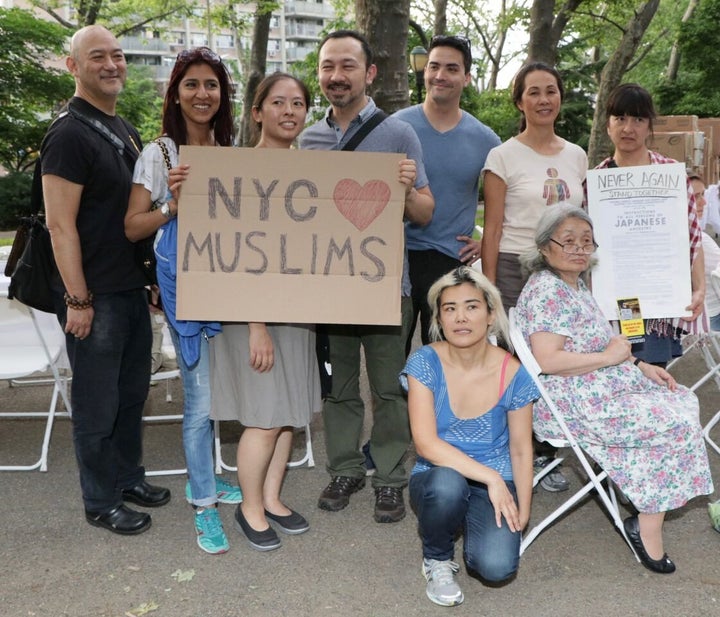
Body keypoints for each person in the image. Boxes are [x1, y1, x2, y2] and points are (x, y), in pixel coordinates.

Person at [515, 204, 713, 574]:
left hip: (594, 386)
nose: (579, 249)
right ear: (545, 247)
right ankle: (646, 524)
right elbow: (548, 360)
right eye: (569, 240)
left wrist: (640, 365)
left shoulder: (571, 286)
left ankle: (640, 487)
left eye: (587, 242)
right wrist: (611, 358)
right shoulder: (547, 291)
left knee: (678, 399)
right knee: (673, 422)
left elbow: (603, 345)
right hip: (571, 400)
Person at [300, 29, 434, 523]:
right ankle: (345, 468)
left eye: (347, 66)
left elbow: (424, 211)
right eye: (327, 66)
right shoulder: (308, 138)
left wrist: (404, 190)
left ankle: (392, 479)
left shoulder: (399, 133)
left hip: (384, 287)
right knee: (339, 387)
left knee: (388, 388)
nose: (336, 76)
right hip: (329, 285)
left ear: (369, 73)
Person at [41, 25, 170, 535]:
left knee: (131, 393)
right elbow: (59, 225)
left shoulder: (124, 128)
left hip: (129, 287)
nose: (112, 64)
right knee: (97, 403)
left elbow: (133, 215)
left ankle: (127, 476)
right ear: (73, 66)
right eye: (98, 56)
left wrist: (152, 276)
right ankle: (100, 500)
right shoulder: (68, 134)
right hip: (93, 294)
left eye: (118, 55)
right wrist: (77, 298)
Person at [125, 47, 241, 554]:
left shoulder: (230, 149)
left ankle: (209, 476)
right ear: (175, 92)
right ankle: (203, 501)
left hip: (231, 285)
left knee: (219, 391)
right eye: (191, 84)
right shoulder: (159, 154)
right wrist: (172, 205)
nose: (202, 94)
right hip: (185, 291)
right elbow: (132, 226)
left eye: (211, 85)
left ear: (222, 94)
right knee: (199, 400)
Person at [208, 72, 321, 552]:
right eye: (278, 102)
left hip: (296, 315)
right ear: (257, 112)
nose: (289, 111)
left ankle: (272, 499)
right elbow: (235, 252)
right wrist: (257, 325)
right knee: (262, 416)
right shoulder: (234, 169)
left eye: (298, 103)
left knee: (287, 414)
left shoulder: (315, 172)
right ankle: (248, 508)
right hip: (252, 318)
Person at [401, 266, 535, 607]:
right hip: (438, 476)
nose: (461, 317)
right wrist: (490, 477)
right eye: (450, 309)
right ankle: (437, 558)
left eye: (472, 306)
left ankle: (464, 518)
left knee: (497, 567)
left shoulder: (514, 373)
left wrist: (523, 512)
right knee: (448, 485)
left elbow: (521, 449)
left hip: (496, 479)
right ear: (439, 319)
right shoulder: (424, 362)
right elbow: (426, 445)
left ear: (491, 315)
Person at [481, 61, 587, 492]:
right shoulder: (502, 156)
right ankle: (508, 450)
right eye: (534, 92)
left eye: (551, 91)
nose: (544, 100)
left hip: (563, 275)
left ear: (560, 97)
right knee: (516, 365)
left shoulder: (576, 155)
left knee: (558, 363)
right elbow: (491, 228)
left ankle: (547, 453)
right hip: (513, 269)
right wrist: (487, 293)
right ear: (520, 101)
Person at [393, 34, 501, 353]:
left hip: (449, 259)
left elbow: (506, 200)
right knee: (390, 359)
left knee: (447, 357)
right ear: (424, 71)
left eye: (452, 69)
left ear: (466, 78)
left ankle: (442, 405)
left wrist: (487, 242)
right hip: (397, 253)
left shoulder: (486, 140)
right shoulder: (397, 127)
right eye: (434, 66)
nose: (440, 75)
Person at [595, 83, 705, 365]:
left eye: (638, 119)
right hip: (618, 300)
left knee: (655, 374)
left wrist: (699, 288)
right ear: (608, 125)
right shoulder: (595, 182)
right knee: (620, 372)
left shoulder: (671, 177)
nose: (628, 128)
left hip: (658, 300)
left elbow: (692, 239)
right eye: (620, 118)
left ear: (649, 127)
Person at [688, 173, 720, 330]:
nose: (704, 202)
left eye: (703, 195)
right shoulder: (699, 239)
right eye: (696, 196)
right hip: (710, 315)